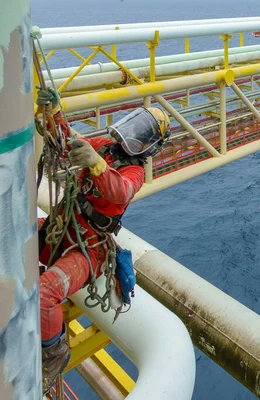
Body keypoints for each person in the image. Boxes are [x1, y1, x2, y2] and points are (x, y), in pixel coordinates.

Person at [35, 88, 171, 393]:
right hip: (65, 227)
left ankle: (53, 353)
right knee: (17, 234)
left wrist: (95, 163)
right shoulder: (107, 148)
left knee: (45, 295)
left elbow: (119, 191)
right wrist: (55, 114)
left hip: (90, 249)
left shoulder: (134, 171)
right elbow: (70, 142)